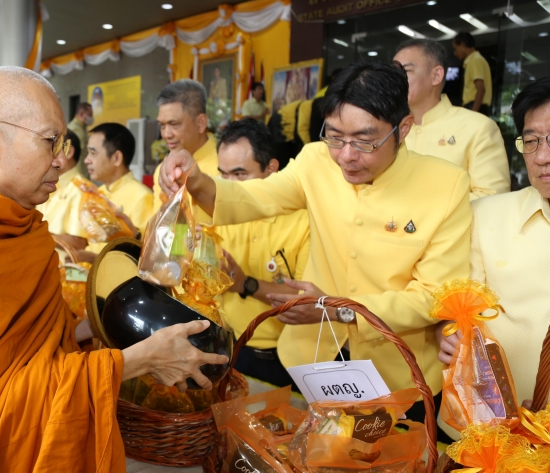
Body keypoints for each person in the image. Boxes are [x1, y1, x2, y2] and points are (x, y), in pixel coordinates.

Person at [0, 66, 228, 473]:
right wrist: (140, 360)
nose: (61, 159)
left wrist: (101, 323)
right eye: (50, 141)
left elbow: (40, 346)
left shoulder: (25, 227)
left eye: (64, 143)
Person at [158, 62, 472, 425]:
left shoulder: (446, 185)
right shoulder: (316, 161)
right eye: (335, 136)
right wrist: (197, 180)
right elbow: (255, 197)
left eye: (365, 141)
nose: (346, 155)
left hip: (397, 373)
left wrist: (336, 309)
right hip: (313, 360)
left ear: (403, 128)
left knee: (387, 458)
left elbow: (433, 295)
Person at [437, 77, 550, 408]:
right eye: (531, 141)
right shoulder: (485, 215)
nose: (542, 156)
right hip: (488, 421)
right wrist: (449, 333)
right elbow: (456, 309)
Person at [214, 120, 310, 388]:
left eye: (240, 174)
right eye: (223, 175)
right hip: (229, 350)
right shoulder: (218, 213)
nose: (229, 186)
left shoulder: (304, 221)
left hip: (286, 361)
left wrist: (246, 284)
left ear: (272, 168)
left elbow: (305, 299)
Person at [395, 39, 509, 199]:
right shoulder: (387, 130)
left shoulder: (478, 127)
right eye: (393, 73)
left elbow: (492, 197)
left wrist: (425, 207)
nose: (395, 80)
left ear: (436, 75)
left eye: (406, 71)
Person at [152, 80, 220, 211]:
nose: (166, 134)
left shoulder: (226, 166)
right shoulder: (164, 169)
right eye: (162, 125)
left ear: (200, 123)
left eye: (174, 124)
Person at [85, 122, 153, 246]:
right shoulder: (98, 193)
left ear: (116, 158)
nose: (86, 160)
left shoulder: (142, 197)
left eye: (93, 153)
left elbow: (142, 250)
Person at [35, 131, 90, 255]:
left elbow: (78, 242)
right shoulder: (46, 184)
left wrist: (33, 235)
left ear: (68, 152)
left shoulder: (82, 190)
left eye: (51, 149)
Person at [452, 32, 492, 115]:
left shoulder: (475, 60)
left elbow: (481, 89)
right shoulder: (474, 60)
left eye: (455, 49)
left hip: (475, 106)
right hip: (475, 107)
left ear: (462, 44)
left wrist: (473, 114)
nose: (455, 53)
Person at [68, 101, 93, 176]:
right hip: (79, 174)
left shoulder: (80, 128)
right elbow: (78, 156)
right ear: (81, 114)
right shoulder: (76, 129)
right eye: (90, 115)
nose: (91, 118)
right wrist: (80, 176)